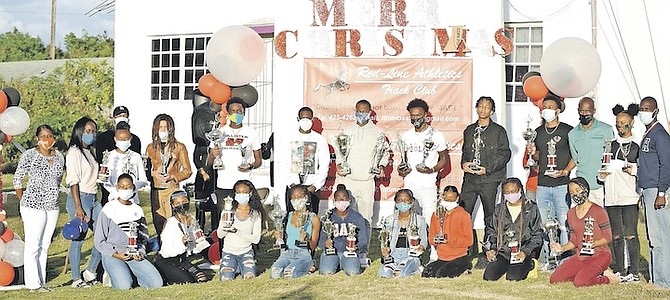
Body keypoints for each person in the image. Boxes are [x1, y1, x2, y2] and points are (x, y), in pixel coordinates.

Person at [460, 96, 511, 267]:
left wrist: (488, 168)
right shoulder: (469, 130)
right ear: (476, 108)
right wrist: (464, 164)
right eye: (480, 106)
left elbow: (505, 154)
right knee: (464, 214)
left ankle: (488, 251)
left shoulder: (498, 131)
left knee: (490, 215)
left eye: (487, 107)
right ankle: (464, 251)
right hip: (470, 179)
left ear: (492, 111)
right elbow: (464, 153)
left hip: (489, 179)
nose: (483, 109)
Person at [13, 125, 64, 292]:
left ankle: (41, 281)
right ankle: (33, 284)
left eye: (49, 135)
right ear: (37, 138)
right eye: (43, 136)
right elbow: (18, 179)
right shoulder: (30, 155)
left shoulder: (59, 157)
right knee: (33, 245)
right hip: (33, 206)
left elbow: (58, 181)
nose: (46, 139)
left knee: (45, 245)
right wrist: (23, 200)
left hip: (52, 206)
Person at [527, 95, 573, 268]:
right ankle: (550, 260)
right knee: (547, 225)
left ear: (558, 110)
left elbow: (575, 155)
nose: (546, 109)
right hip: (543, 184)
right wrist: (533, 152)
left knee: (562, 224)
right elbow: (539, 157)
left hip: (561, 185)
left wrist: (565, 171)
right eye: (544, 106)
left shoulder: (568, 130)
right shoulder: (537, 132)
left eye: (550, 107)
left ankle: (565, 260)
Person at [94, 173, 163, 290]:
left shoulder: (137, 210)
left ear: (133, 188)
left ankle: (131, 274)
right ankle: (112, 276)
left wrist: (140, 252)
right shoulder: (109, 209)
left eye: (129, 187)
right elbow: (99, 241)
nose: (125, 189)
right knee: (124, 286)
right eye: (122, 187)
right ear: (117, 188)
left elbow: (143, 238)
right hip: (113, 255)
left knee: (157, 283)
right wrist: (116, 254)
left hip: (133, 253)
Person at [597, 104, 641, 283]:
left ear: (632, 124)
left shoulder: (636, 146)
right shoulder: (610, 146)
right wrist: (601, 175)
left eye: (624, 124)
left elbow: (643, 170)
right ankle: (621, 270)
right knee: (615, 235)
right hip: (612, 198)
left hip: (630, 196)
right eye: (618, 124)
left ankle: (635, 271)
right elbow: (603, 168)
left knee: (630, 234)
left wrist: (634, 169)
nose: (621, 127)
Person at [549, 177, 619, 287]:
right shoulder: (571, 214)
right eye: (571, 192)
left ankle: (606, 279)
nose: (575, 194)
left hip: (599, 255)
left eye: (578, 190)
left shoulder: (599, 211)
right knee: (555, 279)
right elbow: (574, 241)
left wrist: (593, 243)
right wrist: (561, 248)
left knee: (580, 282)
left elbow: (607, 237)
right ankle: (588, 273)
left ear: (585, 189)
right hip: (580, 256)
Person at [334, 99, 389, 229]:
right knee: (346, 215)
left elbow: (384, 153)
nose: (362, 114)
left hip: (367, 181)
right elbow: (339, 152)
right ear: (355, 112)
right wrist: (339, 165)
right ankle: (347, 245)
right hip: (349, 179)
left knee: (365, 216)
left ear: (370, 113)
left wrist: (381, 166)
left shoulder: (378, 133)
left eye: (364, 112)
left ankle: (364, 247)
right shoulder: (347, 131)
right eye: (359, 111)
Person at [636, 96, 670, 288]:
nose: (643, 112)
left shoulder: (660, 135)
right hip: (647, 190)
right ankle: (655, 278)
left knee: (660, 238)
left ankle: (663, 282)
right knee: (652, 237)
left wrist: (662, 192)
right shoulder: (648, 133)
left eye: (647, 109)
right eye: (642, 108)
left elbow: (667, 165)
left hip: (657, 190)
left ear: (655, 111)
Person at [65, 116, 103, 288]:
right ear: (80, 132)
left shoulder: (90, 151)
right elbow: (73, 181)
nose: (91, 134)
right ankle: (75, 278)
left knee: (104, 234)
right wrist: (78, 207)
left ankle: (90, 271)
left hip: (94, 197)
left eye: (94, 131)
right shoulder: (74, 151)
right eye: (88, 131)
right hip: (80, 197)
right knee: (78, 239)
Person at [208, 97, 262, 216]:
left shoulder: (251, 133)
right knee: (225, 218)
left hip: (244, 184)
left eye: (239, 111)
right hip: (224, 184)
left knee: (244, 217)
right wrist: (213, 154)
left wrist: (251, 166)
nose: (236, 114)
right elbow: (209, 162)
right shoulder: (220, 132)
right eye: (233, 111)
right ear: (228, 112)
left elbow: (259, 160)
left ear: (244, 113)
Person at [483, 178, 543, 281]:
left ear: (520, 190)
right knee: (489, 277)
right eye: (506, 192)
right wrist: (492, 249)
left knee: (513, 278)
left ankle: (531, 264)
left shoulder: (531, 208)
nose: (510, 195)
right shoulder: (499, 209)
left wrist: (525, 251)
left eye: (513, 192)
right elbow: (492, 231)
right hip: (503, 251)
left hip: (521, 251)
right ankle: (507, 266)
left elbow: (537, 235)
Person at [399, 98, 448, 220]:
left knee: (428, 219)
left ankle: (428, 240)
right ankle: (411, 240)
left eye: (418, 115)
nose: (415, 118)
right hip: (409, 184)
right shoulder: (406, 135)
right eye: (412, 116)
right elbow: (403, 160)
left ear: (426, 115)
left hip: (427, 185)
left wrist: (431, 170)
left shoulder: (436, 135)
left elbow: (444, 160)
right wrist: (401, 170)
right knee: (409, 218)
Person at [146, 114, 193, 234]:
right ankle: (162, 249)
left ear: (170, 129)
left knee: (172, 222)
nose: (163, 130)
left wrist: (174, 176)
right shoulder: (150, 148)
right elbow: (145, 170)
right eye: (160, 127)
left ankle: (176, 247)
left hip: (171, 189)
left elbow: (188, 171)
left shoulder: (179, 147)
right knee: (158, 222)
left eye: (165, 127)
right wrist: (153, 174)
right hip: (156, 190)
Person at [281, 107, 330, 213]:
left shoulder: (320, 140)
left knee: (311, 219)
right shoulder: (288, 138)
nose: (305, 121)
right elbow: (282, 163)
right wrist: (291, 184)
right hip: (293, 186)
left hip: (311, 187)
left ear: (312, 120)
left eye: (308, 119)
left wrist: (315, 185)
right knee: (292, 218)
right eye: (303, 118)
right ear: (297, 119)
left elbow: (324, 165)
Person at [568, 97, 615, 207]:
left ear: (594, 111)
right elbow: (575, 158)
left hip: (600, 185)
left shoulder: (606, 129)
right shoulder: (573, 134)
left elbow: (611, 155)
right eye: (582, 111)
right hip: (581, 185)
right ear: (578, 111)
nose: (584, 114)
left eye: (588, 111)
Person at [155, 190, 208, 284]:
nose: (182, 205)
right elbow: (166, 251)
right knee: (187, 281)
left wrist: (199, 239)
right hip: (167, 260)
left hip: (182, 259)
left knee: (201, 279)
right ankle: (164, 275)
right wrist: (181, 243)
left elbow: (193, 248)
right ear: (173, 205)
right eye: (178, 203)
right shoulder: (171, 223)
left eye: (184, 202)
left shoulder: (191, 219)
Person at [270, 185, 321, 279]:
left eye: (299, 197)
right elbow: (283, 239)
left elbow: (313, 246)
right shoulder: (286, 216)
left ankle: (309, 265)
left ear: (306, 198)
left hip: (303, 254)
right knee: (274, 274)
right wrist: (279, 237)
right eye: (293, 197)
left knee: (289, 273)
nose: (295, 200)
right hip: (287, 253)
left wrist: (306, 239)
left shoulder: (313, 218)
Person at [217, 180, 264, 280]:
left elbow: (256, 239)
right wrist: (226, 226)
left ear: (250, 193)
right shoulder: (227, 211)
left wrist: (237, 231)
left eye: (244, 192)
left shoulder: (255, 214)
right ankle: (232, 266)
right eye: (238, 192)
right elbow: (219, 235)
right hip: (229, 252)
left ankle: (242, 266)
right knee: (226, 279)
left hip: (246, 252)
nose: (241, 195)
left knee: (249, 277)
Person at [422, 186, 473, 278]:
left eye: (452, 200)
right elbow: (431, 237)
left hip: (458, 256)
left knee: (441, 274)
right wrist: (436, 240)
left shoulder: (464, 215)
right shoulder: (436, 215)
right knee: (427, 274)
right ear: (442, 197)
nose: (449, 203)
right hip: (442, 257)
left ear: (457, 198)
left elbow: (469, 241)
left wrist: (449, 240)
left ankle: (465, 266)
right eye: (446, 199)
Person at [95, 106, 142, 206]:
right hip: (111, 196)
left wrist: (130, 189)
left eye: (124, 115)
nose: (122, 117)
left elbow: (141, 176)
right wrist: (115, 191)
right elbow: (103, 174)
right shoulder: (104, 139)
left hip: (131, 196)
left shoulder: (136, 143)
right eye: (119, 115)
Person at [319, 185, 369, 276]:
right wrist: (325, 245)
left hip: (349, 252)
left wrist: (355, 247)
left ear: (349, 201)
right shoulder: (328, 218)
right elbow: (321, 239)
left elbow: (363, 240)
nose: (341, 201)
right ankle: (335, 263)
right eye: (338, 199)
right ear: (333, 201)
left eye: (344, 198)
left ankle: (346, 263)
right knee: (326, 272)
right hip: (332, 251)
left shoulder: (357, 217)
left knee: (353, 272)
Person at [378, 189, 427, 278]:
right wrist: (385, 250)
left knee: (399, 274)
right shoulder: (389, 220)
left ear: (412, 202)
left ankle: (417, 268)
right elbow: (384, 240)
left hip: (410, 256)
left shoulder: (419, 220)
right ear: (396, 203)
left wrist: (421, 247)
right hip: (393, 255)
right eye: (399, 200)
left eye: (406, 200)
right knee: (384, 275)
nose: (402, 203)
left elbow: (424, 241)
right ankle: (393, 266)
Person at [101, 121, 148, 204]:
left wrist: (132, 188)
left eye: (126, 139)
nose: (123, 141)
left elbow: (143, 179)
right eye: (120, 139)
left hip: (133, 200)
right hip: (114, 199)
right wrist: (116, 192)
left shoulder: (136, 156)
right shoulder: (109, 156)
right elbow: (104, 180)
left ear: (130, 139)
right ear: (115, 139)